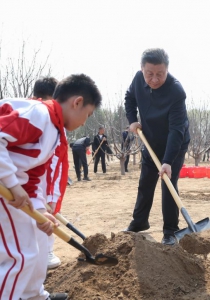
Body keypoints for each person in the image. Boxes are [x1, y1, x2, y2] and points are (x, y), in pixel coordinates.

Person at [0, 73, 101, 300]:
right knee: (19, 256)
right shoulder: (39, 115)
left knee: (31, 252)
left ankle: (31, 296)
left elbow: (34, 177)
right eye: (88, 114)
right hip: (4, 190)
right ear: (77, 102)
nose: (85, 122)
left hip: (11, 191)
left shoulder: (54, 132)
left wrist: (40, 211)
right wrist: (13, 184)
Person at [124, 48, 190, 246]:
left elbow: (177, 130)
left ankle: (170, 231)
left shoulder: (176, 91)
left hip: (174, 145)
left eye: (160, 74)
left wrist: (168, 161)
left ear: (167, 70)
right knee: (146, 182)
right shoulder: (137, 80)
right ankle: (139, 222)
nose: (154, 79)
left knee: (168, 184)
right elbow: (129, 98)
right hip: (150, 140)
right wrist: (132, 120)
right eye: (149, 74)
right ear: (142, 69)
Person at [33, 76, 62, 270]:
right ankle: (42, 254)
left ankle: (43, 253)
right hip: (35, 182)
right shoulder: (43, 117)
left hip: (38, 184)